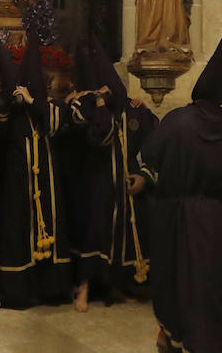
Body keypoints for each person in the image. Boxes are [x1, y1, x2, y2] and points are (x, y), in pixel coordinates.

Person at [131, 5, 222, 353]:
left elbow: (148, 155)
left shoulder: (178, 121)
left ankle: (173, 335)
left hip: (178, 217)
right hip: (216, 218)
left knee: (178, 281)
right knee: (210, 284)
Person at [68, 40, 158, 312]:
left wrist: (144, 175)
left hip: (124, 184)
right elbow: (100, 137)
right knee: (94, 231)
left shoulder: (135, 110)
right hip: (93, 183)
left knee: (122, 234)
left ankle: (116, 285)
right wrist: (98, 102)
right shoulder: (82, 107)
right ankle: (83, 286)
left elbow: (157, 145)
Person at [0, 36, 71, 309]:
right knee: (15, 231)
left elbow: (56, 125)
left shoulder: (50, 108)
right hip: (16, 184)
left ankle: (50, 290)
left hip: (47, 184)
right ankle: (12, 292)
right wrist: (11, 98)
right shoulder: (13, 112)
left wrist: (33, 100)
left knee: (50, 230)